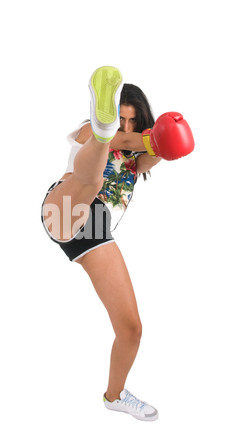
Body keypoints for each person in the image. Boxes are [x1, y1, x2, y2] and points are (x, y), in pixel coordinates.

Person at [41, 66, 194, 421]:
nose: (126, 128)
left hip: (94, 232)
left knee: (131, 328)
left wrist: (167, 142)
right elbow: (122, 143)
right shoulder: (84, 131)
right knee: (91, 177)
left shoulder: (135, 159)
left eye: (131, 121)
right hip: (65, 204)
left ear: (141, 122)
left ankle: (115, 396)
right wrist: (123, 135)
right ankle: (102, 128)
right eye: (118, 119)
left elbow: (151, 156)